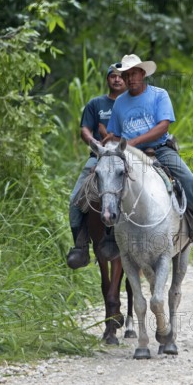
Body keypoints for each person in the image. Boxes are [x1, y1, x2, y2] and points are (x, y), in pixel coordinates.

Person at [107, 54, 193, 255]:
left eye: (134, 74)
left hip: (159, 149)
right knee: (106, 183)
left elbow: (163, 125)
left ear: (143, 73)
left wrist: (134, 141)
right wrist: (106, 143)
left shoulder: (159, 95)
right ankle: (110, 236)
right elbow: (114, 132)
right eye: (127, 74)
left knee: (188, 179)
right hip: (129, 155)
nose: (130, 78)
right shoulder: (120, 103)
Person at [67, 63, 127, 269]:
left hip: (129, 155)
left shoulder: (133, 103)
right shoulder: (96, 104)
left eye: (121, 76)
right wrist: (94, 143)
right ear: (107, 79)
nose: (117, 79)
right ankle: (81, 246)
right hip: (99, 157)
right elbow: (85, 128)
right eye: (113, 76)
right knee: (76, 199)